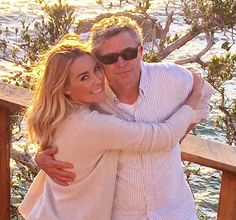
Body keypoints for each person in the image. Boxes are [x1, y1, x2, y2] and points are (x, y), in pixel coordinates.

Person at [30, 16, 214, 219]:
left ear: (141, 50)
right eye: (109, 58)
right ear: (100, 60)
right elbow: (68, 135)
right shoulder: (94, 96)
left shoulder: (172, 78)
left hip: (175, 212)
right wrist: (41, 156)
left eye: (128, 53)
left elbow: (203, 95)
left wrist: (178, 138)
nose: (121, 63)